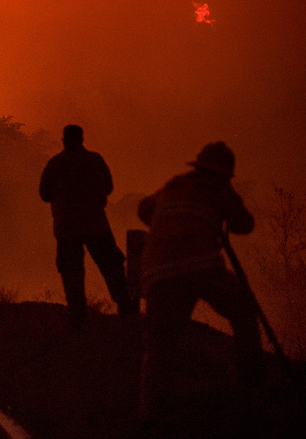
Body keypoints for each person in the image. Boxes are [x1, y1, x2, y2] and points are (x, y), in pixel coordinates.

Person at [137, 141, 264, 423]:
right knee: (244, 312)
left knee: (160, 343)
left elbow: (144, 209)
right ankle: (252, 388)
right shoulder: (220, 189)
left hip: (158, 271)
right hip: (201, 266)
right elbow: (245, 224)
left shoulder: (172, 186)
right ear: (224, 173)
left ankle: (151, 414)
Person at [40, 124, 134, 325]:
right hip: (95, 224)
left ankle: (78, 315)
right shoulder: (94, 161)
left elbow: (44, 194)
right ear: (82, 139)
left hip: (67, 227)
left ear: (64, 141)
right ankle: (126, 309)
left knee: (71, 270)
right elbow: (108, 187)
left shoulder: (56, 164)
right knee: (111, 265)